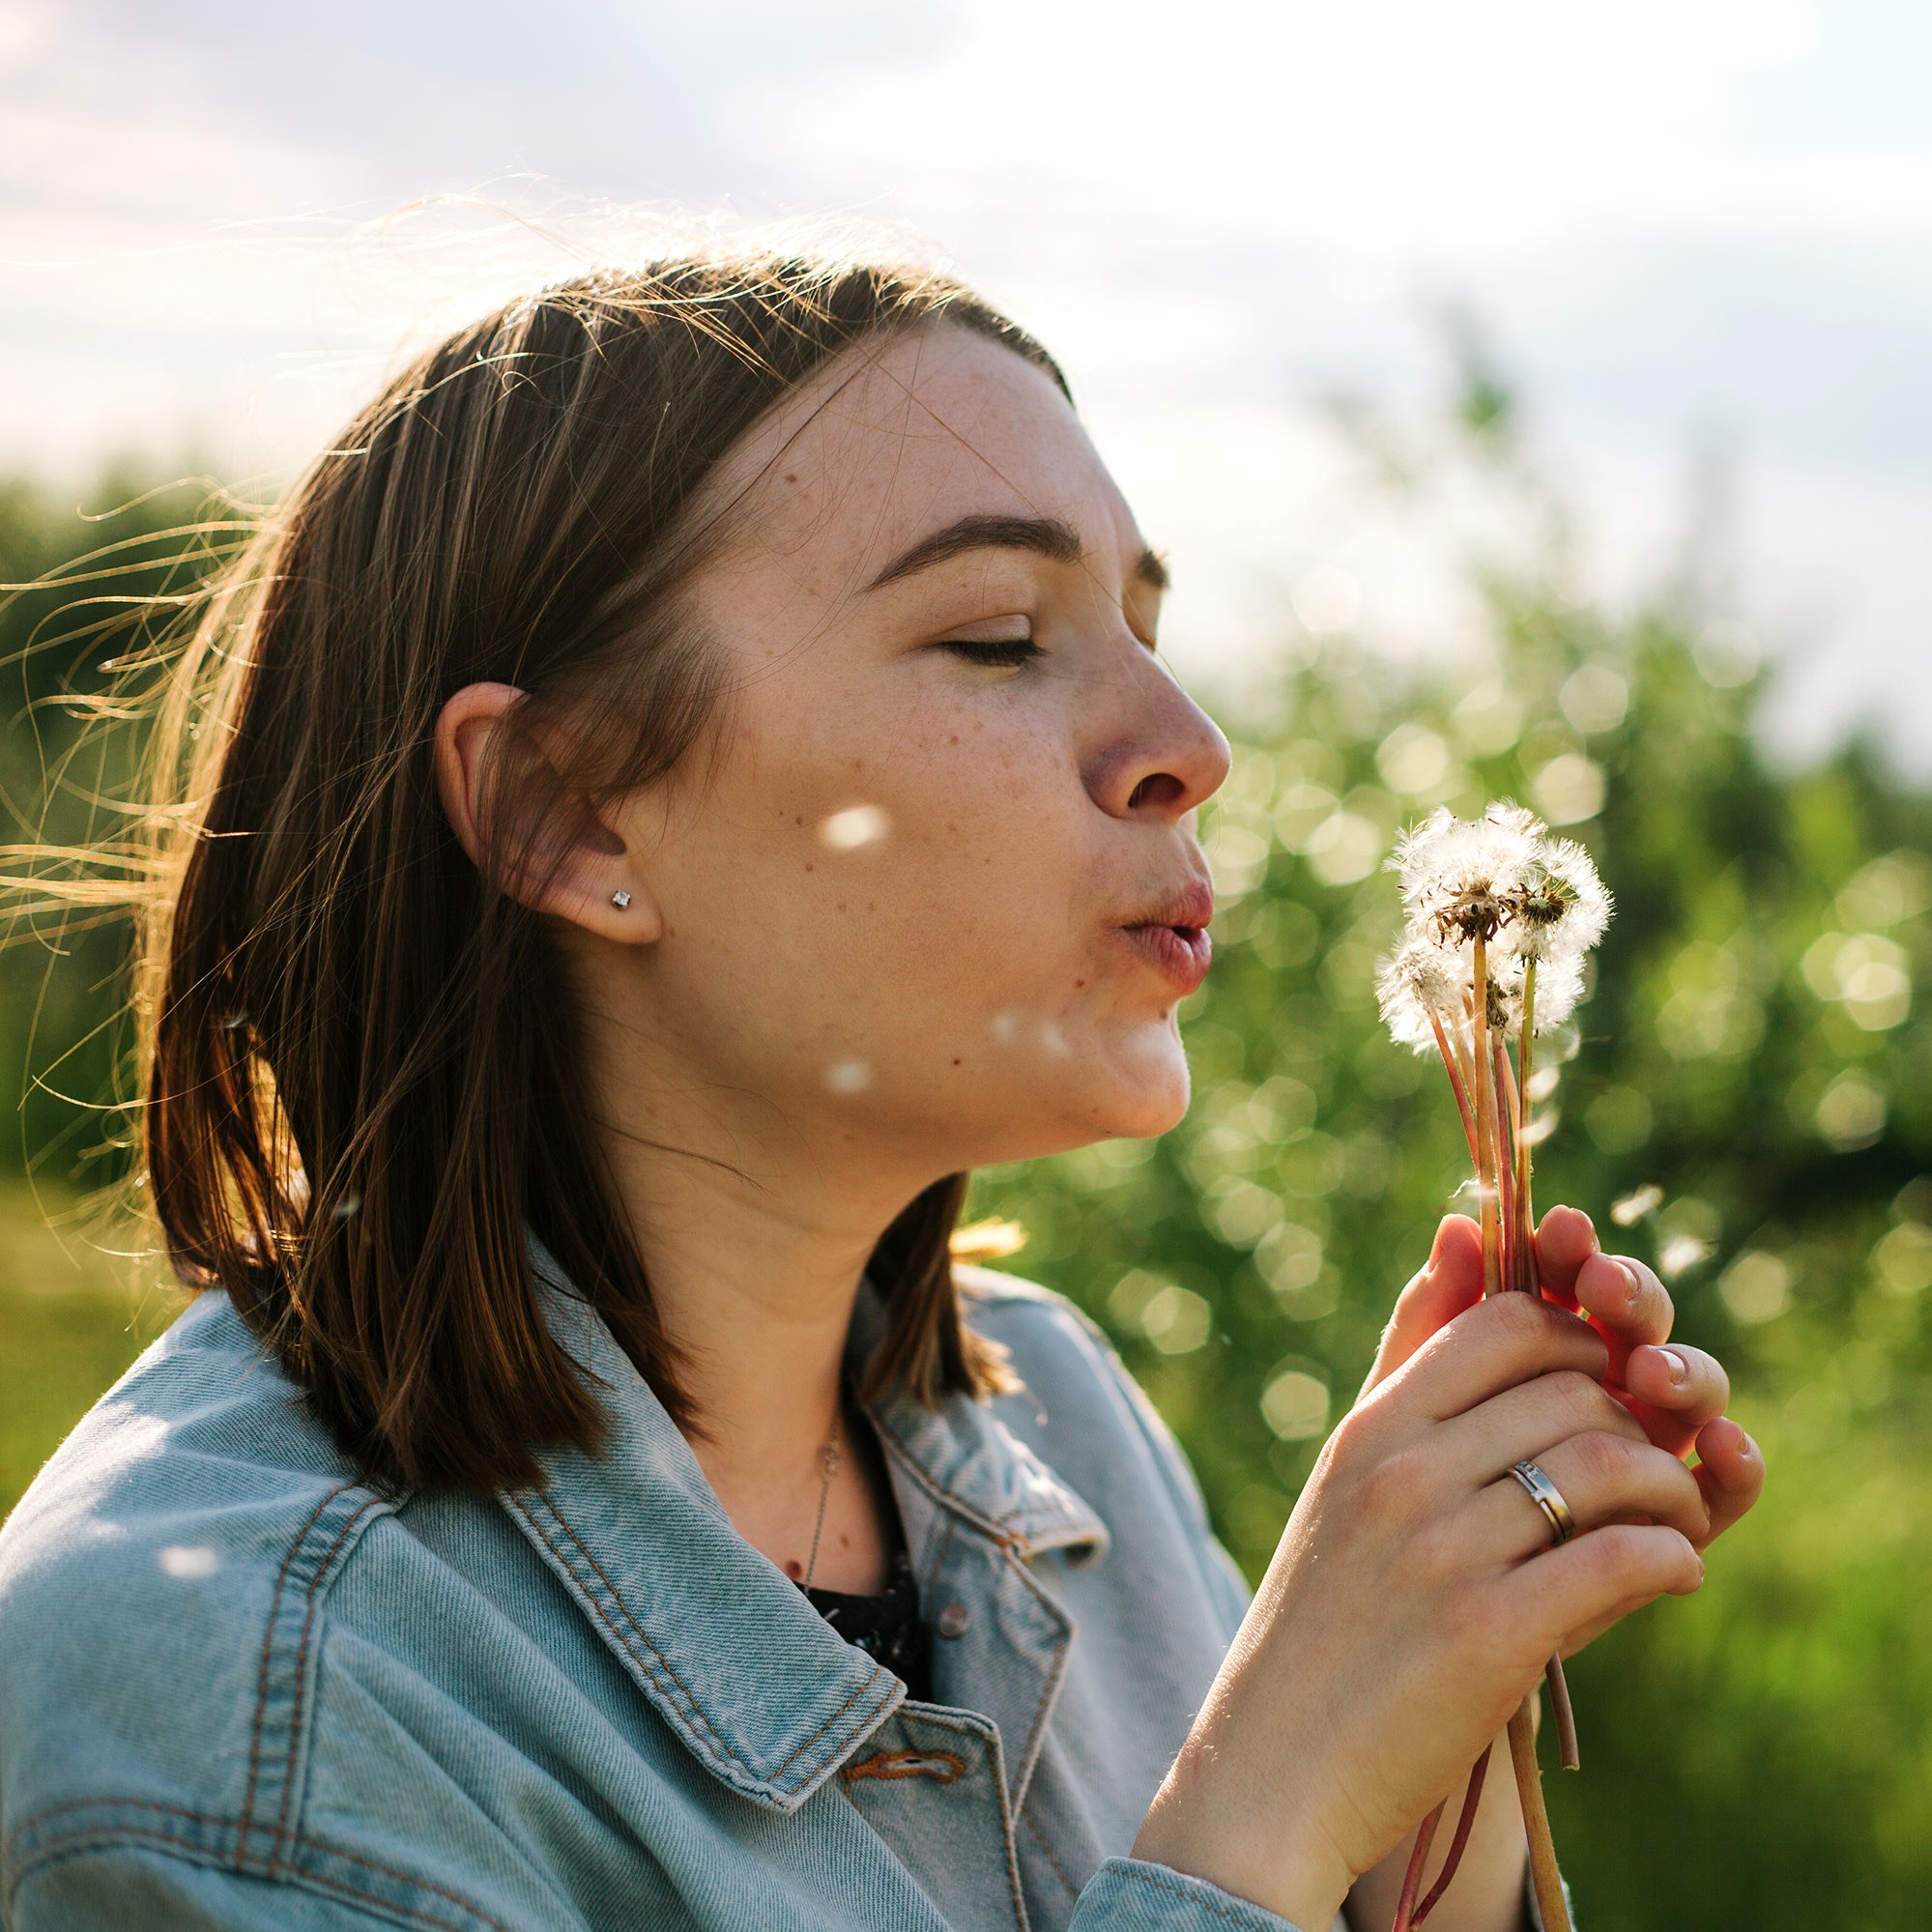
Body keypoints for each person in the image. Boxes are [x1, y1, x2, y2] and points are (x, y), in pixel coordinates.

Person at [0, 250, 1761, 1932]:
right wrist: (1257, 1818)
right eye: (1000, 636)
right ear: (568, 813)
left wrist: (1423, 1782)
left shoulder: (1061, 1422)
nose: (1190, 743)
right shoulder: (250, 1707)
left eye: (1145, 624)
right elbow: (1244, 1850)